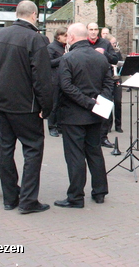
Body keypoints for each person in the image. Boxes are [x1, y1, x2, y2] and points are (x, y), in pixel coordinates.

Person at [0, 0, 53, 214]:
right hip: (27, 107)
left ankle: (10, 197)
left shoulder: (1, 35)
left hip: (2, 104)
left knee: (5, 149)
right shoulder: (36, 39)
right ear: (34, 15)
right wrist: (46, 106)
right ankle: (28, 201)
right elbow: (42, 78)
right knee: (33, 150)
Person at [54, 23, 114, 208]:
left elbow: (66, 86)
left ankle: (76, 196)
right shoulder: (100, 58)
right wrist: (99, 101)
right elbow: (109, 83)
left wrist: (88, 102)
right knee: (95, 152)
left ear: (71, 37)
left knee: (75, 156)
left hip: (73, 115)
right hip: (95, 114)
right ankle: (100, 192)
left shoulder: (68, 58)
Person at [86, 22, 119, 148]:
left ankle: (103, 137)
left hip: (104, 79)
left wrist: (104, 53)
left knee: (105, 108)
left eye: (95, 29)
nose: (93, 32)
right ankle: (90, 137)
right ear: (87, 30)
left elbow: (115, 59)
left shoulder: (105, 43)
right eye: (91, 29)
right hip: (88, 79)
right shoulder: (84, 43)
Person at [47, 27, 68, 137]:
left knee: (61, 104)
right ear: (58, 36)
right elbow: (48, 62)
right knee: (54, 104)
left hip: (63, 79)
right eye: (65, 36)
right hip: (54, 79)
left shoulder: (65, 47)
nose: (66, 38)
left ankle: (60, 125)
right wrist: (63, 58)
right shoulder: (51, 47)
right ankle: (52, 126)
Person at [103, 33, 123, 133]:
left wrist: (117, 66)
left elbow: (121, 63)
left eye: (115, 43)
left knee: (118, 102)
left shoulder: (117, 52)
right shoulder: (104, 52)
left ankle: (118, 125)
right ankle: (108, 125)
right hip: (108, 79)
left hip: (117, 79)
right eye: (112, 43)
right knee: (108, 102)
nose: (115, 45)